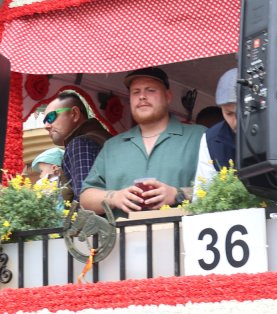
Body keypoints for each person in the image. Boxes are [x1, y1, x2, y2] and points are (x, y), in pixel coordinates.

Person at [80, 67, 204, 215]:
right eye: (135, 92)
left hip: (184, 236)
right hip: (124, 237)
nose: (142, 96)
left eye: (150, 90)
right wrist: (114, 197)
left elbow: (223, 187)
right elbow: (85, 197)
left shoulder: (199, 136)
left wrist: (178, 194)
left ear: (168, 96)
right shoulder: (112, 146)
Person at [43, 89, 106, 197]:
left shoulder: (80, 144)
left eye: (51, 117)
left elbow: (86, 206)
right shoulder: (102, 137)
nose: (46, 126)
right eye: (45, 121)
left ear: (75, 114)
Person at [194, 69, 239, 187]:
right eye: (229, 113)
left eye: (242, 113)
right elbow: (203, 192)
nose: (236, 122)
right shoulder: (211, 138)